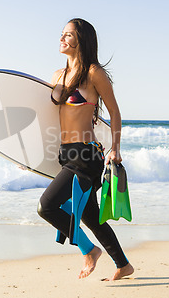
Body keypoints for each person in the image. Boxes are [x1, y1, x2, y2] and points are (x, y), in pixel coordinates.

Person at [37, 18, 134, 281]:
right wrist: (27, 155)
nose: (62, 39)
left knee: (46, 207)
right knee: (91, 216)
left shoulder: (93, 73)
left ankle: (88, 250)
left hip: (87, 154)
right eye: (61, 34)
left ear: (82, 39)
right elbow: (46, 118)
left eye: (68, 35)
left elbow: (114, 112)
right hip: (66, 153)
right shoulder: (57, 75)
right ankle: (123, 264)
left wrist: (115, 148)